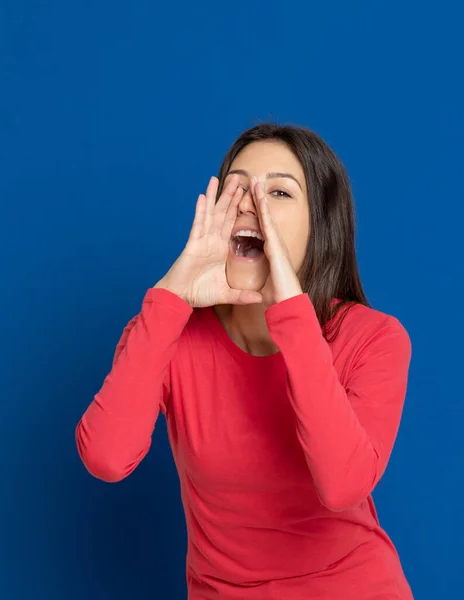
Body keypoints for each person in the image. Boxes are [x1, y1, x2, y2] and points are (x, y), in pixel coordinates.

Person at [75, 123, 414, 599]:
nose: (251, 202)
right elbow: (106, 457)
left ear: (321, 223)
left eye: (278, 191)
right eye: (236, 186)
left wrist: (289, 315)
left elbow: (342, 486)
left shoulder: (374, 338)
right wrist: (170, 296)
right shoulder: (168, 329)